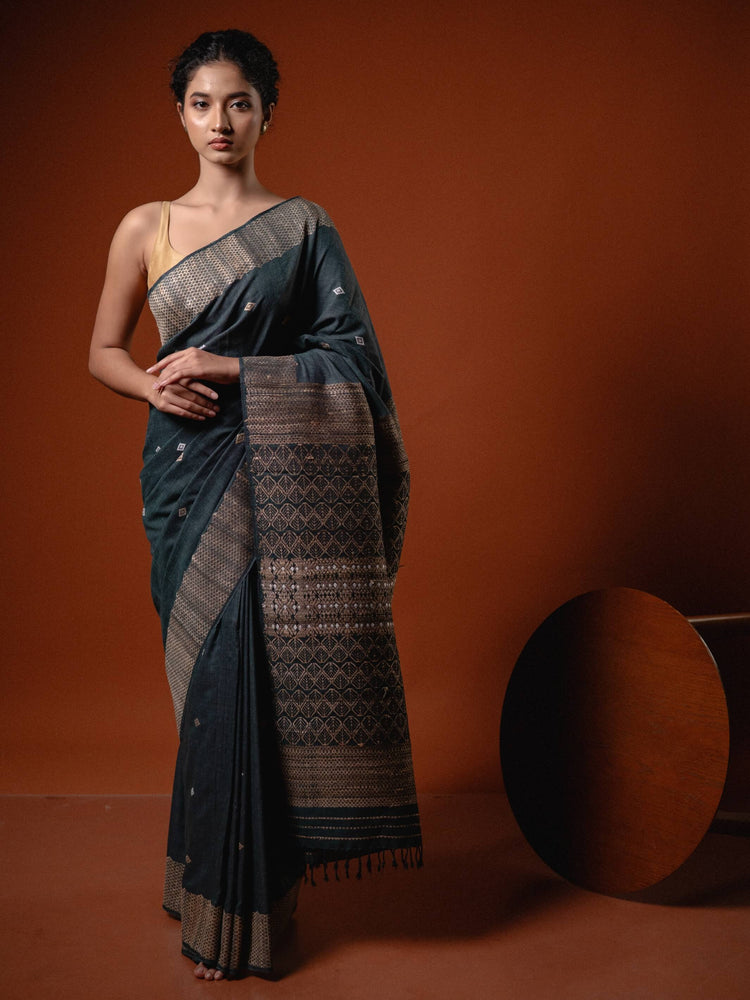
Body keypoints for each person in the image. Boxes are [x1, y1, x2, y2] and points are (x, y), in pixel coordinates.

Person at [89, 29, 422, 982]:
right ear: (181, 115)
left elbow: (354, 364)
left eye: (239, 102)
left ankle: (242, 913)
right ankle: (203, 873)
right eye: (202, 103)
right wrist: (154, 388)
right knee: (205, 690)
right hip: (184, 478)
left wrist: (230, 365)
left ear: (267, 111)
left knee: (253, 685)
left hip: (277, 472)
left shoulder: (305, 227)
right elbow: (103, 350)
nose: (220, 121)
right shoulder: (143, 225)